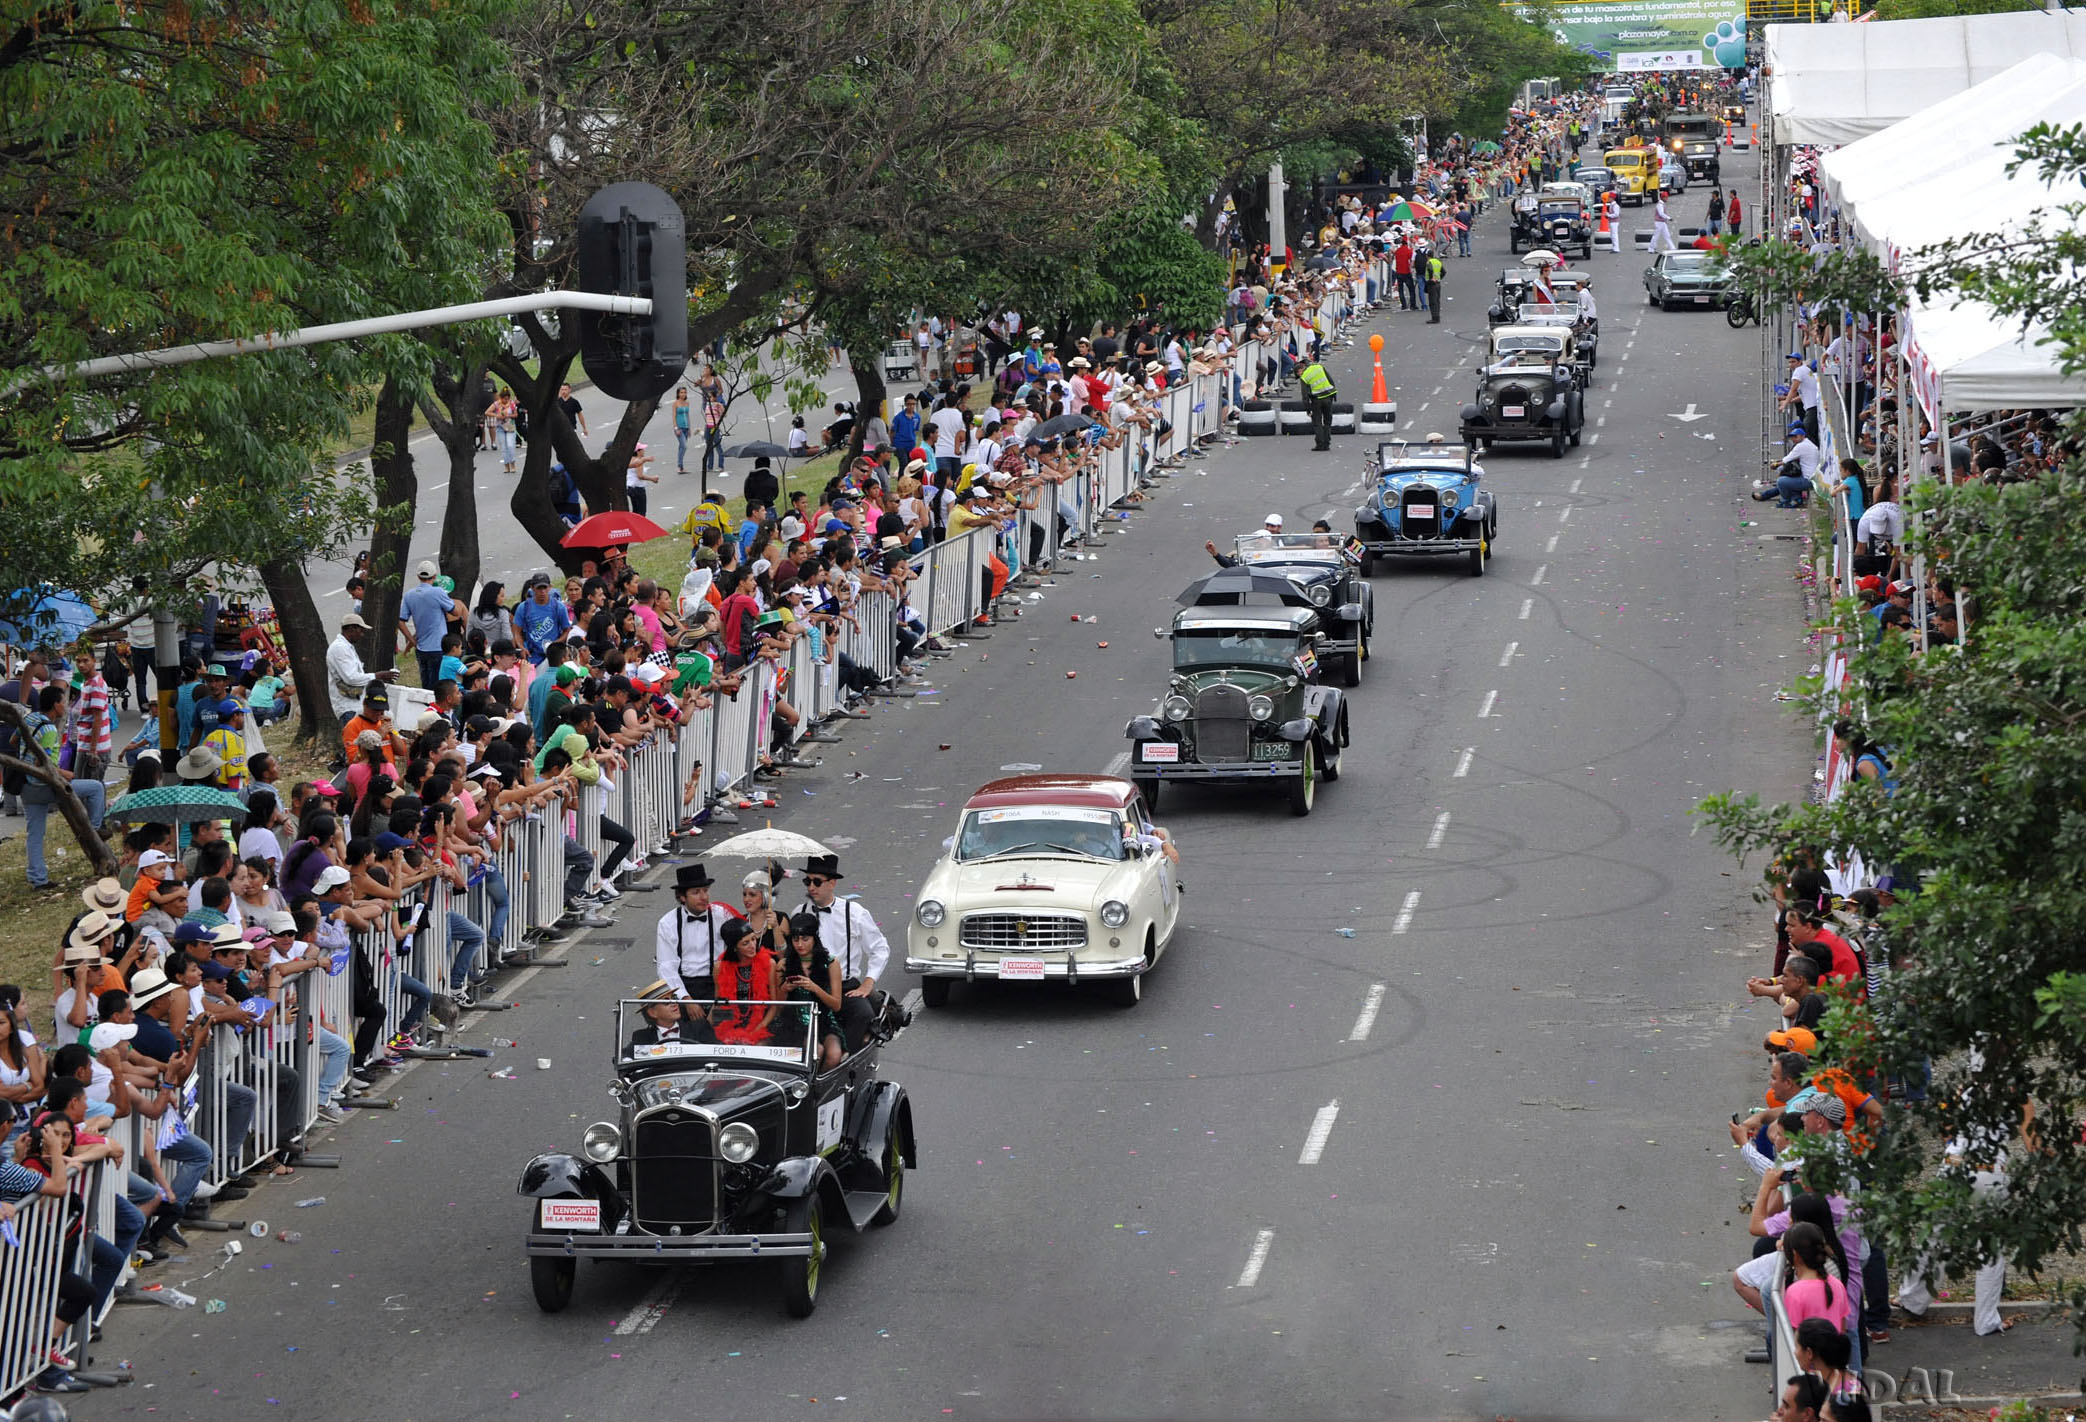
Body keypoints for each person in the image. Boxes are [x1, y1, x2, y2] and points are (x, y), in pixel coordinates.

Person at [797, 854, 888, 1050]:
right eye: (807, 881)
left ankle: (845, 1058)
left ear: (832, 883)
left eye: (817, 881)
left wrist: (868, 983)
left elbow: (879, 948)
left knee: (863, 1014)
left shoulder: (854, 912)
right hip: (809, 984)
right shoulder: (799, 911)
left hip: (846, 986)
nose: (810, 887)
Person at [654, 862, 742, 999]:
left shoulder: (722, 916)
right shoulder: (668, 923)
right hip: (682, 985)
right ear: (682, 897)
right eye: (696, 892)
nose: (704, 897)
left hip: (718, 984)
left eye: (705, 890)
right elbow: (666, 967)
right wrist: (685, 998)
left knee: (725, 1019)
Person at [779, 911, 844, 1068]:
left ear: (815, 938)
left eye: (805, 939)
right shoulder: (783, 964)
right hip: (795, 1022)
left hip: (824, 1021)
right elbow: (777, 1005)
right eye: (795, 940)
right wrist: (785, 989)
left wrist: (815, 988)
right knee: (817, 1050)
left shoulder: (831, 963)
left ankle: (820, 1087)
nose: (800, 945)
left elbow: (836, 1005)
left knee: (834, 1055)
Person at [710, 919, 776, 1044]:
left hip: (760, 1026)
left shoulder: (769, 964)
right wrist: (722, 1032)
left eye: (753, 939)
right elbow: (719, 1004)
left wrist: (754, 1033)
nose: (752, 945)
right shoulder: (720, 967)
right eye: (745, 943)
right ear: (735, 948)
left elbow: (773, 1006)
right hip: (731, 1026)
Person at [327, 613, 398, 721]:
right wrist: (376, 676)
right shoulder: (339, 648)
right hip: (347, 706)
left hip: (355, 703)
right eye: (361, 630)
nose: (362, 634)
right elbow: (351, 678)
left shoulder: (347, 647)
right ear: (351, 629)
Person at [1296, 347, 1336, 452]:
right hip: (1328, 396)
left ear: (1301, 369)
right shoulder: (1319, 367)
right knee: (1327, 421)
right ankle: (1327, 444)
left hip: (1317, 400)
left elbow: (1305, 396)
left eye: (1298, 373)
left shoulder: (1304, 377)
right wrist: (1334, 393)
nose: (1299, 376)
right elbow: (1330, 380)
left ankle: (1320, 444)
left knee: (1317, 422)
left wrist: (1308, 409)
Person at [1423, 248, 1445, 325]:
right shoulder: (1438, 262)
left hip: (1431, 284)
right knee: (1437, 300)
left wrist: (1432, 279)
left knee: (1432, 301)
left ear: (1427, 256)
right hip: (1438, 283)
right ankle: (1437, 316)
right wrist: (1438, 278)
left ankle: (1434, 318)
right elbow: (1444, 271)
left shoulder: (1429, 262)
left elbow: (1430, 271)